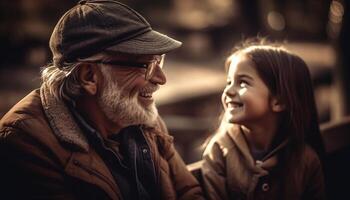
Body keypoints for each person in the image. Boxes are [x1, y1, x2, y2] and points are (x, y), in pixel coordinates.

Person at [0, 1, 204, 199]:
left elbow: (188, 191)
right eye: (146, 65)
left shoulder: (142, 116)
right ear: (89, 76)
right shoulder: (25, 143)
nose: (161, 79)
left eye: (159, 61)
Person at [201, 39, 326, 200]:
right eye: (229, 82)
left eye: (243, 82)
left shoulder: (306, 160)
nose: (228, 91)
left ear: (279, 101)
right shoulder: (219, 151)